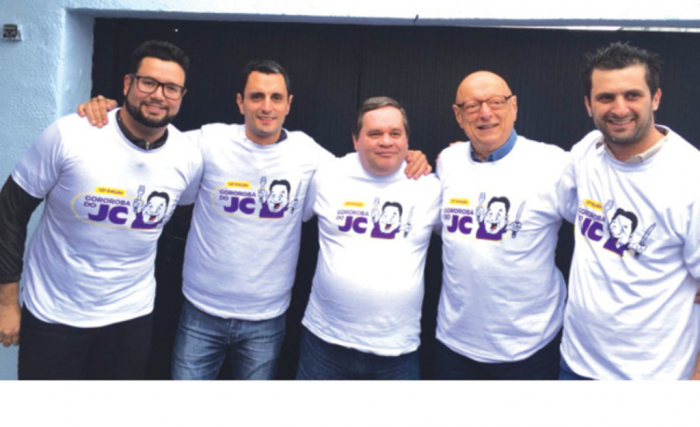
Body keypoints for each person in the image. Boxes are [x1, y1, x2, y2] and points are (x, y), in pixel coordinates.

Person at [77, 61, 430, 380]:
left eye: (276, 98)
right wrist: (111, 114)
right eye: (256, 96)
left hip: (267, 318)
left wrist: (408, 157)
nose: (266, 106)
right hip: (201, 311)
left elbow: (365, 166)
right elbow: (151, 138)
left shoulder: (310, 156)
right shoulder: (210, 141)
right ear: (240, 102)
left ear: (289, 104)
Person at [0, 40, 203, 379]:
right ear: (127, 84)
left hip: (130, 318)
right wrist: (6, 303)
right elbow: (9, 212)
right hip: (53, 314)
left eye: (171, 88)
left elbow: (181, 216)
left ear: (182, 96)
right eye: (148, 82)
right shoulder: (70, 135)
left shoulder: (188, 156)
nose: (158, 95)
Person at [561, 42, 700, 380]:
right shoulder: (586, 152)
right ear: (588, 105)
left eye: (633, 95)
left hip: (656, 376)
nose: (619, 108)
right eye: (606, 97)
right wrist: (471, 154)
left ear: (655, 98)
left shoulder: (691, 177)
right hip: (576, 364)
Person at [433, 71, 575, 380]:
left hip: (530, 348)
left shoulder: (554, 164)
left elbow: (596, 226)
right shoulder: (448, 161)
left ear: (514, 107)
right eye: (473, 105)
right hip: (453, 344)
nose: (485, 113)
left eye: (496, 102)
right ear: (458, 115)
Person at [297, 96, 441, 380]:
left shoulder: (430, 187)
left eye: (395, 133)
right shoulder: (327, 176)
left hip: (396, 351)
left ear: (407, 140)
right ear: (355, 140)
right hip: (324, 341)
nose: (386, 141)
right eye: (375, 133)